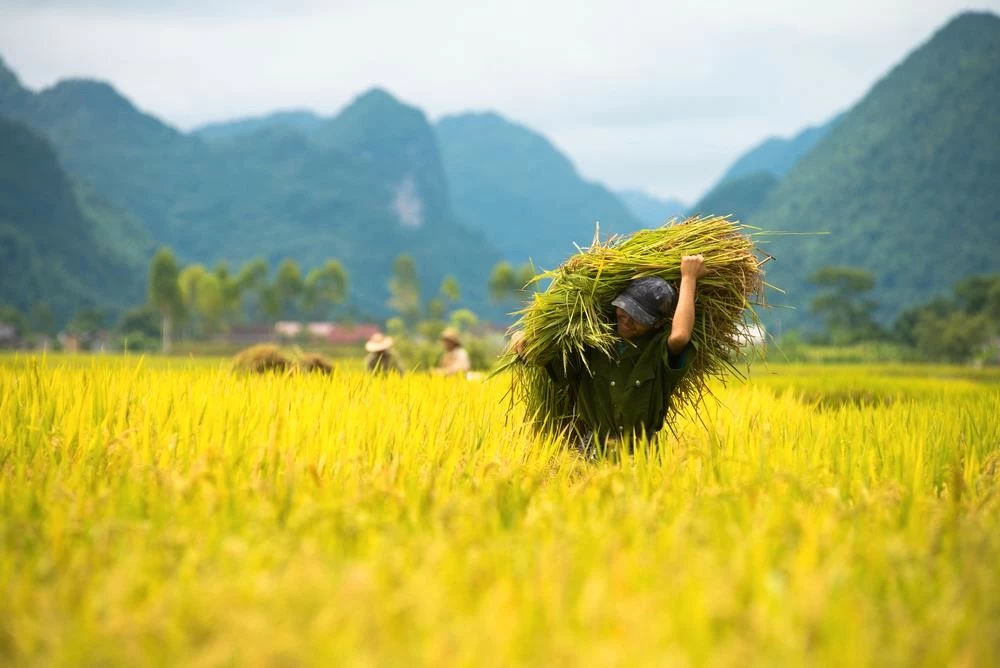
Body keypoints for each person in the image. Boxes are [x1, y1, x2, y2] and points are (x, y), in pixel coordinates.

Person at [512, 254, 708, 455]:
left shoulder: (657, 352)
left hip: (641, 457)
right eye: (624, 309)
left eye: (638, 317)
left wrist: (688, 278)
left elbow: (680, 337)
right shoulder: (591, 343)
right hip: (591, 453)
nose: (627, 319)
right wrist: (528, 339)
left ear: (657, 324)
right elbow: (543, 357)